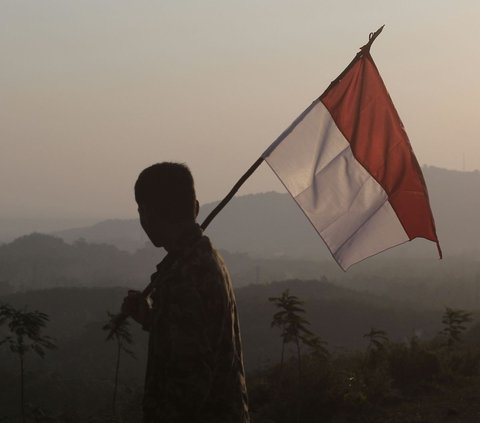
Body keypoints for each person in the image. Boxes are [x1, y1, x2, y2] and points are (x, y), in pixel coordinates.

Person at [121, 162, 250, 423]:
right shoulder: (205, 260)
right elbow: (195, 336)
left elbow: (189, 382)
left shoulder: (183, 277)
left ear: (145, 213)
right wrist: (151, 319)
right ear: (196, 207)